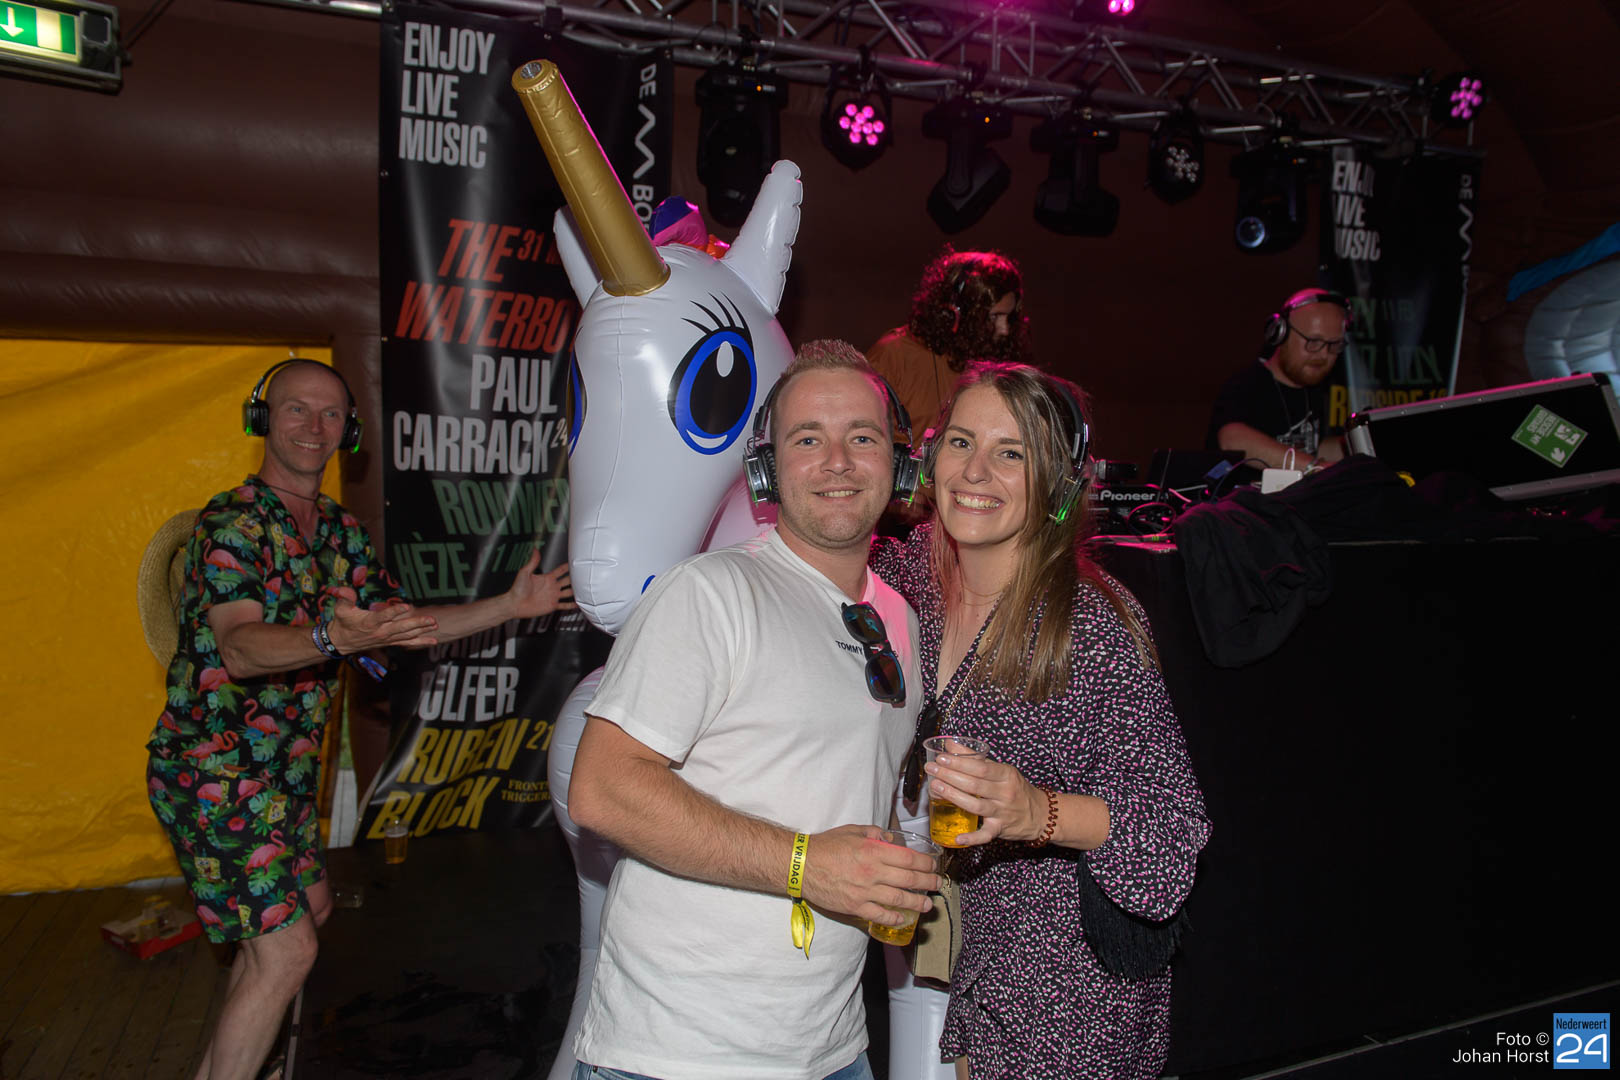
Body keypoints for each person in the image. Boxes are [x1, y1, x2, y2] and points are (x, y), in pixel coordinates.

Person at [144, 358, 575, 1080]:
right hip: (212, 773)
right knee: (287, 952)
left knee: (303, 917)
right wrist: (330, 636)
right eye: (296, 409)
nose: (314, 427)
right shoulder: (233, 523)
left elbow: (405, 626)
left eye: (331, 414)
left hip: (281, 781)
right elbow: (240, 649)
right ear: (262, 418)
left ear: (349, 430)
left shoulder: (341, 533)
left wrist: (509, 605)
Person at [564, 341, 939, 1080]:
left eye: (862, 438)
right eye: (808, 439)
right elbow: (601, 790)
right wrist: (805, 865)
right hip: (678, 1056)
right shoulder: (708, 593)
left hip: (834, 1049)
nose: (838, 461)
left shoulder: (898, 616)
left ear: (899, 466)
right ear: (767, 471)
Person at [872, 362, 1210, 1079]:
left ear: (1056, 482)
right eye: (961, 442)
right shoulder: (913, 583)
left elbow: (1171, 835)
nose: (976, 471)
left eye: (1012, 452)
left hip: (1067, 1002)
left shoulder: (1090, 625)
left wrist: (1038, 811)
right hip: (970, 972)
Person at [866, 250, 1030, 436]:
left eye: (1009, 318)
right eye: (994, 317)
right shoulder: (893, 355)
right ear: (955, 312)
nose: (1004, 330)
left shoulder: (989, 362)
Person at [1206, 288, 1352, 469]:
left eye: (1334, 345)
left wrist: (1358, 445)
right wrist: (1314, 468)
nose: (1323, 355)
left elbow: (1311, 449)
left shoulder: (1313, 388)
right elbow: (1232, 439)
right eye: (1313, 342)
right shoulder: (1246, 385)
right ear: (1280, 333)